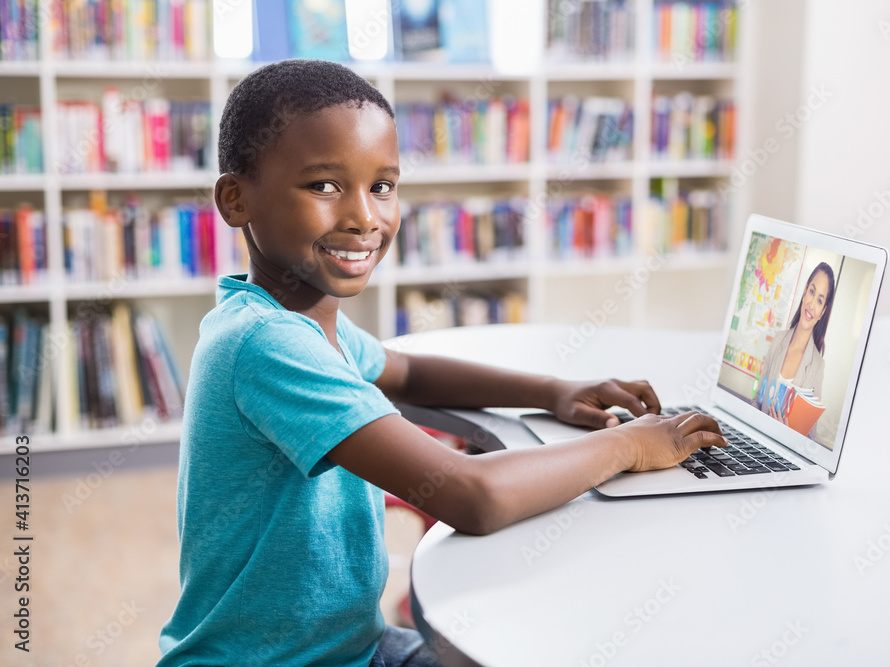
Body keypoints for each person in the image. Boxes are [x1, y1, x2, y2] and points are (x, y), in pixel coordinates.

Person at [157, 59, 727, 667]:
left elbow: (408, 371)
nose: (364, 217)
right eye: (324, 186)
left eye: (381, 186)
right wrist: (628, 447)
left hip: (349, 646)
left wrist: (555, 389)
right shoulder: (266, 344)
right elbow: (468, 496)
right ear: (236, 199)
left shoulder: (304, 321)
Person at [756, 262, 836, 426]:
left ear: (822, 312)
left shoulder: (817, 366)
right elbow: (756, 399)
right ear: (805, 291)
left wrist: (787, 435)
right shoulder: (778, 340)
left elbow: (810, 435)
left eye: (820, 301)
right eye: (812, 292)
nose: (812, 305)